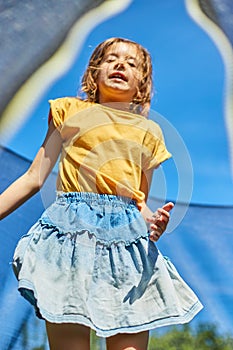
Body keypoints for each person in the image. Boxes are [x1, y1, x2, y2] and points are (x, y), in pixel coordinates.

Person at [0, 37, 202, 350]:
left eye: (131, 63)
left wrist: (153, 223)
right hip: (70, 239)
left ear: (141, 86)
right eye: (111, 59)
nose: (121, 64)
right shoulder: (70, 110)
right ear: (95, 73)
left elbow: (140, 202)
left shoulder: (150, 131)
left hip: (126, 246)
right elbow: (33, 178)